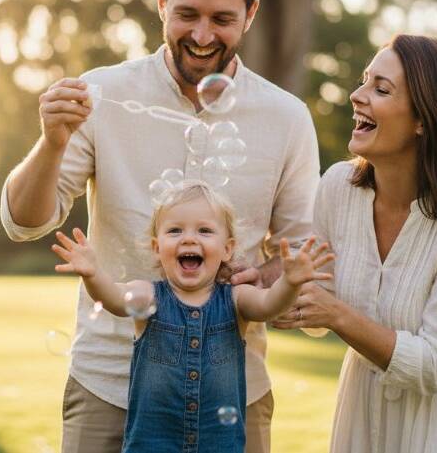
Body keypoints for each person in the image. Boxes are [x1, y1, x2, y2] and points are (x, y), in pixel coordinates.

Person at [0, 0, 320, 453]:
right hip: (109, 383)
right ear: (161, 2)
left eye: (222, 19)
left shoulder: (285, 118)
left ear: (252, 13)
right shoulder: (102, 95)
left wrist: (261, 275)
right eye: (187, 14)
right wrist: (51, 142)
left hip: (233, 390)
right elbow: (25, 221)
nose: (201, 34)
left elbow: (298, 249)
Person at [274, 34, 437, 452]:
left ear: (425, 118)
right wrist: (262, 284)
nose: (356, 96)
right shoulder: (337, 187)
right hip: (365, 405)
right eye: (364, 81)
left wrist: (337, 315)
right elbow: (316, 304)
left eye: (380, 89)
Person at [50, 181, 333, 452]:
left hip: (220, 445)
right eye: (174, 230)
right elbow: (112, 297)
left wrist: (290, 282)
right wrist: (93, 274)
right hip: (151, 445)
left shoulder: (236, 298)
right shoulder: (148, 295)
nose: (189, 238)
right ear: (156, 247)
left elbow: (270, 304)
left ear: (227, 249)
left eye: (205, 231)